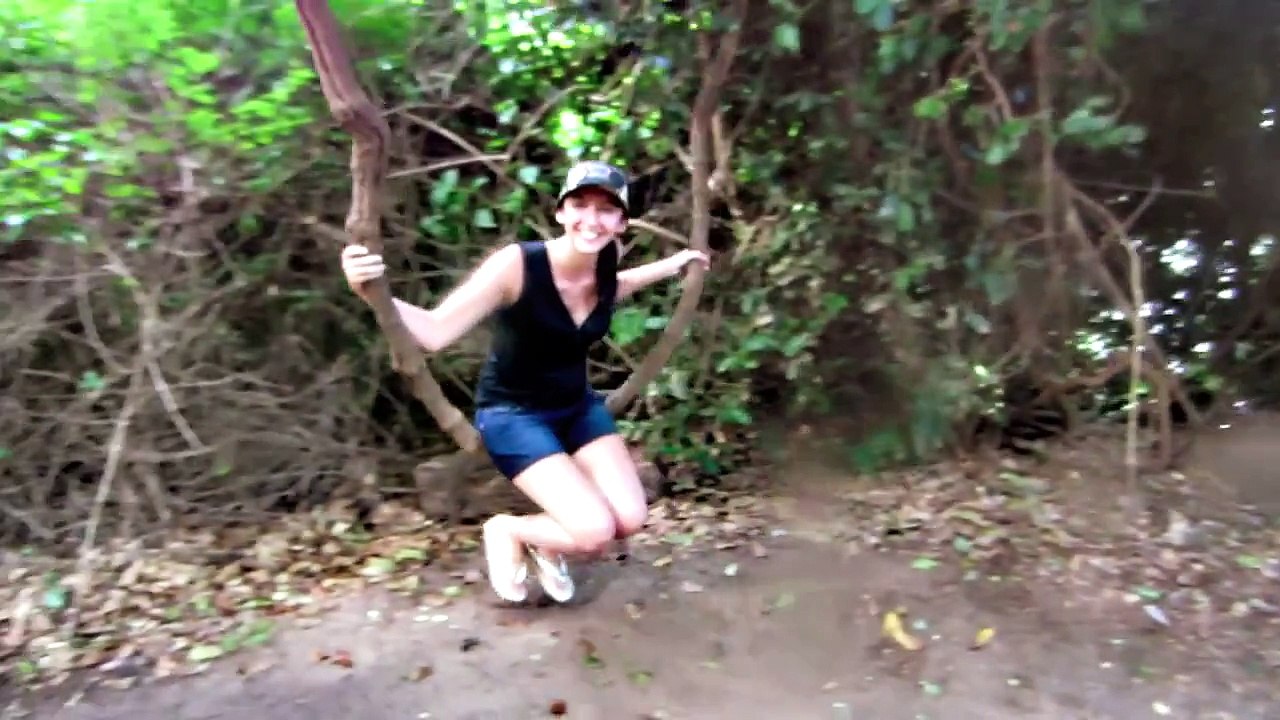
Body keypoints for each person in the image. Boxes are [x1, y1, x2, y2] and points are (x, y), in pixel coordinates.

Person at [340, 160, 709, 603]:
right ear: (560, 212)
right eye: (580, 205)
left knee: (630, 518)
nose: (591, 220)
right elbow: (435, 332)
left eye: (606, 210)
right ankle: (509, 530)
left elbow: (617, 286)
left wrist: (674, 264)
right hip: (514, 414)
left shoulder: (606, 268)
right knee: (594, 532)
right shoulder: (517, 265)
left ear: (621, 223)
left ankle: (546, 544)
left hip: (577, 409)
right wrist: (372, 292)